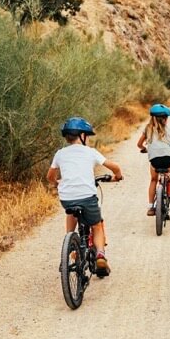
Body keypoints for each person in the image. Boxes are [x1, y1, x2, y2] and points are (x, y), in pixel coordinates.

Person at [48, 117, 123, 277]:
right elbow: (114, 167)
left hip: (67, 198)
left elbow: (50, 176)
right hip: (87, 197)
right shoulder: (90, 152)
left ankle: (69, 242)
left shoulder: (60, 154)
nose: (88, 139)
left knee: (71, 212)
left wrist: (56, 183)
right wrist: (117, 176)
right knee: (96, 225)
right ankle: (100, 255)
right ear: (82, 135)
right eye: (87, 136)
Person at [137, 104, 170, 216]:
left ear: (152, 118)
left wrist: (143, 149)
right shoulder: (169, 130)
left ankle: (151, 207)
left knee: (153, 180)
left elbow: (139, 144)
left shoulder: (147, 129)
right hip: (168, 159)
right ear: (165, 119)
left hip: (155, 161)